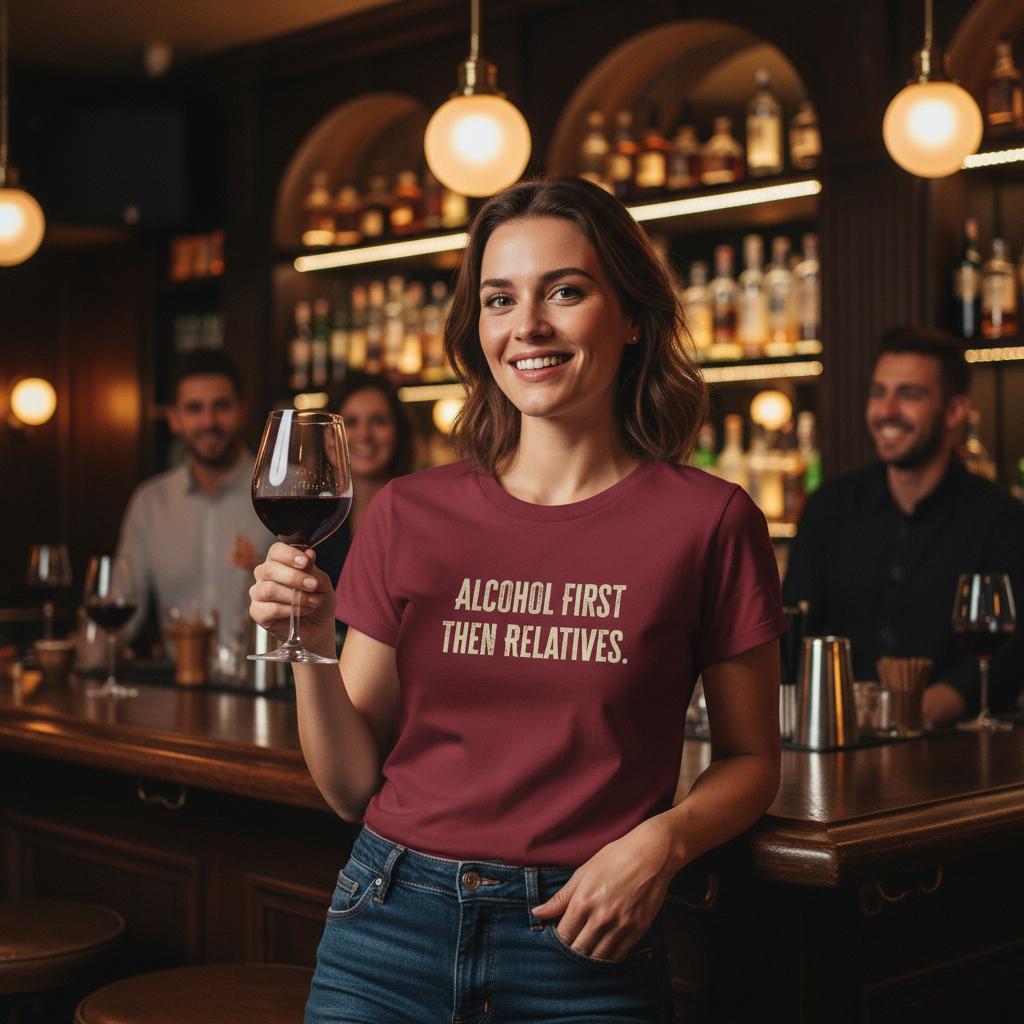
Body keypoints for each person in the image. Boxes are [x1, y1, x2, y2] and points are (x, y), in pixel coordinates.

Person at [250, 177, 786, 1023]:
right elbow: (353, 787)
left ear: (633, 315)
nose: (527, 326)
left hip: (583, 937)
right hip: (388, 922)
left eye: (564, 292)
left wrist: (662, 844)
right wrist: (311, 642)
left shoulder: (710, 521)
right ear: (480, 331)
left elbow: (754, 759)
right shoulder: (407, 513)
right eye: (500, 300)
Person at [782, 326, 1024, 725]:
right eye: (878, 392)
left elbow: (1010, 657)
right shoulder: (829, 508)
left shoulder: (1001, 519)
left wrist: (908, 714)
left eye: (909, 394)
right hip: (836, 740)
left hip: (950, 753)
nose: (887, 410)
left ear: (955, 411)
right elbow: (794, 632)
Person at [116, 349, 276, 654]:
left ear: (242, 412)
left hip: (268, 684)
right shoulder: (150, 502)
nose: (208, 421)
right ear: (174, 420)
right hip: (180, 688)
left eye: (221, 406)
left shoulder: (283, 492)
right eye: (194, 408)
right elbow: (123, 603)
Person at [315, 372, 415, 590]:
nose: (364, 435)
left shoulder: (422, 516)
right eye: (350, 422)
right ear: (329, 438)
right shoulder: (312, 522)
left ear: (399, 432)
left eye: (378, 421)